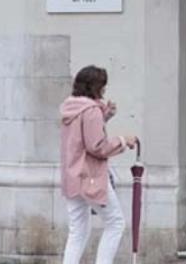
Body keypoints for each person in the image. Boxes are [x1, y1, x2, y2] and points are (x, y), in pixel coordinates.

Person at [59, 65, 139, 264]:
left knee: (78, 231)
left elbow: (83, 135)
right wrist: (123, 140)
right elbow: (97, 146)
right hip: (90, 177)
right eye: (102, 85)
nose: (104, 89)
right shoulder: (91, 111)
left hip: (72, 177)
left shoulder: (71, 108)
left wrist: (105, 116)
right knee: (115, 222)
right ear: (94, 87)